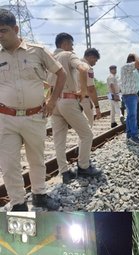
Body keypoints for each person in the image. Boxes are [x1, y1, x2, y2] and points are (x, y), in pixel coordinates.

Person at [0, 9, 67, 211]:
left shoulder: (37, 51)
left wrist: (53, 101)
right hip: (6, 118)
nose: (0, 35)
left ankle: (39, 195)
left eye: (3, 30)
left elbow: (61, 73)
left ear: (16, 29)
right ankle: (18, 203)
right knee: (9, 164)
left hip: (34, 116)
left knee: (36, 159)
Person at [48, 32, 102, 184]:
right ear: (65, 44)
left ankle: (65, 173)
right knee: (87, 135)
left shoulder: (50, 58)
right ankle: (83, 167)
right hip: (68, 100)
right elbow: (83, 69)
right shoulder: (68, 55)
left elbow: (45, 82)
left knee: (59, 140)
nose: (72, 48)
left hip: (55, 101)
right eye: (71, 44)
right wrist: (83, 91)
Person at [120, 53, 139, 145]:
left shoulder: (130, 70)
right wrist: (135, 54)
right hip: (129, 96)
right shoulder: (126, 67)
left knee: (130, 116)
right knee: (133, 116)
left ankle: (129, 135)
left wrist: (136, 95)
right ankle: (134, 135)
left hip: (131, 95)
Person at [80, 47, 101, 128]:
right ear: (92, 57)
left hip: (73, 99)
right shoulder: (87, 68)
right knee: (87, 128)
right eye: (95, 60)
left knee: (80, 128)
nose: (95, 63)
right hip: (84, 100)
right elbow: (91, 89)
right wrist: (97, 107)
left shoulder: (75, 64)